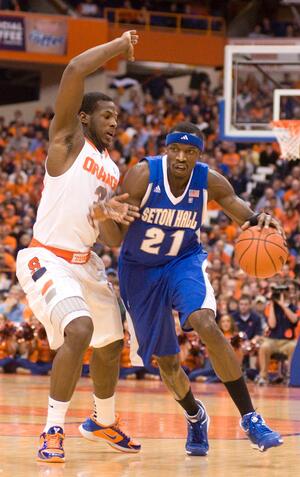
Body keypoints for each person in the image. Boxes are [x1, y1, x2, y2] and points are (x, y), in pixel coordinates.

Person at [94, 121, 284, 455]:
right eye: (176, 150)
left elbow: (239, 210)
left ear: (198, 154)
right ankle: (196, 417)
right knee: (167, 362)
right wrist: (107, 216)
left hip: (183, 261)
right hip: (139, 271)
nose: (182, 157)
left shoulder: (208, 179)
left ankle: (251, 418)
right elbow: (113, 241)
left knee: (205, 322)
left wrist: (259, 219)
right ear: (166, 150)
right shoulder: (143, 175)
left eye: (190, 151)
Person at [16, 30, 141, 463]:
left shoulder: (112, 170)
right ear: (85, 118)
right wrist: (119, 46)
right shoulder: (67, 142)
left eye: (117, 120)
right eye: (106, 116)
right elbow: (72, 70)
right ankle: (52, 430)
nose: (114, 124)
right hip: (46, 256)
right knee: (81, 330)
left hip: (87, 263)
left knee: (110, 342)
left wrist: (108, 218)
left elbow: (108, 239)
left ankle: (102, 422)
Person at [256, 286, 298, 386]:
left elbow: (294, 320)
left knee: (294, 346)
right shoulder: (270, 307)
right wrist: (273, 304)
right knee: (264, 346)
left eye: (283, 292)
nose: (280, 295)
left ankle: (290, 376)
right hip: (272, 341)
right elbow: (272, 324)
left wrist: (283, 305)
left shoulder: (293, 307)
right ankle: (263, 376)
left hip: (287, 342)